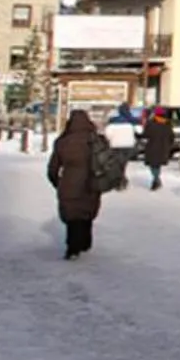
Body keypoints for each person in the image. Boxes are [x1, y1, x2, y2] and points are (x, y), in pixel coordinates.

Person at [46, 108, 108, 259]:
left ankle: (72, 247)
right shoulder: (97, 139)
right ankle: (85, 241)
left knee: (72, 215)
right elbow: (106, 161)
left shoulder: (63, 142)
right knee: (86, 211)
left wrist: (57, 182)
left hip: (69, 183)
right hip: (92, 182)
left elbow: (53, 168)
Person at [140, 106, 176, 191]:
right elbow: (172, 137)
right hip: (163, 147)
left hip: (152, 147)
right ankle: (156, 179)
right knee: (157, 164)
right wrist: (169, 145)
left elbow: (145, 135)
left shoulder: (151, 123)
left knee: (153, 165)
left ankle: (156, 180)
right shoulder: (168, 124)